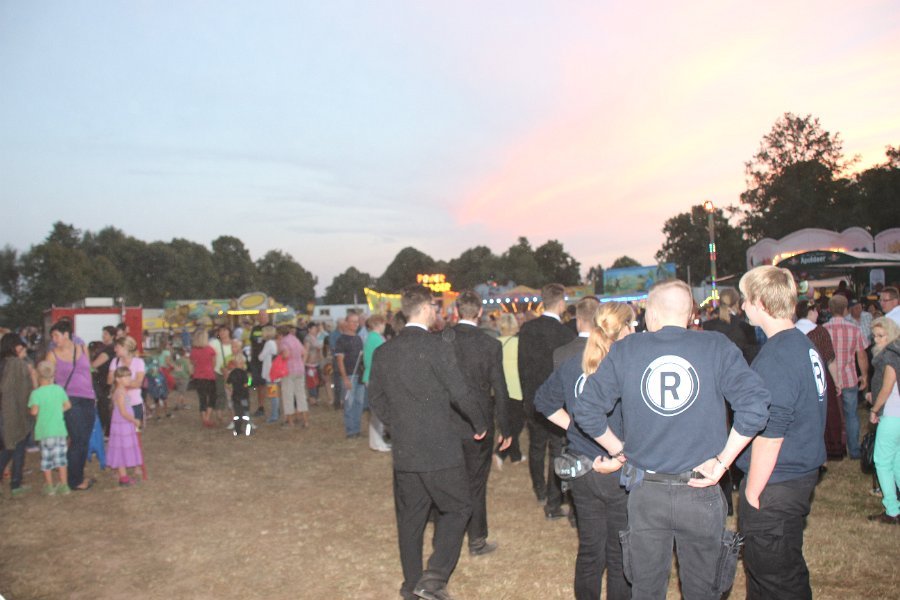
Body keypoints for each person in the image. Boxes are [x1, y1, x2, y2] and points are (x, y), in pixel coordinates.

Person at [573, 279, 770, 599]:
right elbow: (756, 406)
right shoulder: (716, 346)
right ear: (690, 313)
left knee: (646, 590)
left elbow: (586, 410)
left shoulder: (627, 350)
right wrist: (722, 463)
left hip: (646, 492)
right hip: (701, 491)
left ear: (650, 314)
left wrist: (619, 451)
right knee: (702, 590)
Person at [368, 285, 489, 600]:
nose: (437, 312)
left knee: (411, 519)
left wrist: (397, 425)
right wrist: (479, 423)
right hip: (440, 447)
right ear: (424, 309)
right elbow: (460, 391)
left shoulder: (384, 352)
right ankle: (433, 578)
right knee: (459, 507)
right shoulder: (436, 347)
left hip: (406, 449)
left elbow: (375, 399)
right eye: (434, 307)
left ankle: (411, 585)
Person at [736, 266, 828, 599]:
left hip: (776, 483)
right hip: (795, 477)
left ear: (761, 302)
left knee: (777, 579)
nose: (742, 306)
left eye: (746, 299)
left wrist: (752, 494)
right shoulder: (801, 344)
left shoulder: (778, 355)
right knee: (773, 574)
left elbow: (771, 434)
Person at [535, 301, 633, 600]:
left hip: (582, 470)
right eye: (632, 324)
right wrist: (578, 428)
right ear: (623, 329)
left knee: (591, 549)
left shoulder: (574, 363)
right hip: (617, 471)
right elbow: (544, 401)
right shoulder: (627, 367)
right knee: (619, 553)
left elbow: (544, 402)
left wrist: (574, 428)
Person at [447, 290, 511, 556]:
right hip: (480, 423)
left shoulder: (441, 340)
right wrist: (506, 426)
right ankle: (476, 539)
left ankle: (448, 537)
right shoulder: (490, 344)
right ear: (481, 312)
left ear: (456, 311)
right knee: (476, 482)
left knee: (448, 480)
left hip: (448, 420)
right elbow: (500, 388)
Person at [518, 283, 576, 512]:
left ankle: (539, 489)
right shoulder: (565, 333)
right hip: (556, 401)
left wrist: (526, 397)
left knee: (536, 446)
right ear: (560, 303)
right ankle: (553, 495)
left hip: (533, 396)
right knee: (556, 448)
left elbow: (522, 366)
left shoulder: (527, 329)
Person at [46, 319, 97, 491]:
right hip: (68, 400)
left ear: (66, 334)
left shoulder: (82, 348)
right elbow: (48, 380)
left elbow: (88, 372)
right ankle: (74, 480)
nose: (54, 339)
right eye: (53, 336)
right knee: (78, 438)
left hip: (87, 398)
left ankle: (74, 475)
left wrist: (93, 393)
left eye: (56, 335)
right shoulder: (52, 355)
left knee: (84, 438)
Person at [823, 294, 869, 459]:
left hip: (829, 380)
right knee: (851, 415)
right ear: (845, 310)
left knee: (830, 416)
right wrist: (864, 376)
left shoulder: (823, 330)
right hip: (849, 378)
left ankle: (834, 448)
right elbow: (861, 356)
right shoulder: (854, 329)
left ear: (829, 309)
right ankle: (854, 450)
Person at [796, 300, 844, 459]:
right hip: (819, 378)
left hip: (798, 379)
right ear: (810, 311)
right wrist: (836, 381)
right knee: (825, 414)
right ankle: (826, 451)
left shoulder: (791, 331)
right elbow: (829, 359)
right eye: (816, 310)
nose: (817, 314)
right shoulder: (820, 332)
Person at [866, 316, 900, 524]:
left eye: (881, 335)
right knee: (896, 461)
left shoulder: (889, 356)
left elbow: (887, 388)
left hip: (892, 414)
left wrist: (875, 409)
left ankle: (892, 510)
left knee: (882, 461)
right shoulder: (896, 351)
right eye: (874, 336)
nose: (877, 340)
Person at [28, 361, 71, 496]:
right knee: (61, 458)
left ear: (38, 375)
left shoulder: (36, 393)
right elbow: (67, 405)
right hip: (59, 429)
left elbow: (34, 411)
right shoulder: (59, 389)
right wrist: (57, 411)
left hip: (44, 430)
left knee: (46, 458)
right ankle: (64, 485)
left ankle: (49, 486)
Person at [1, 334, 35, 497]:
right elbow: (23, 392)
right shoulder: (17, 365)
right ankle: (16, 484)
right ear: (15, 347)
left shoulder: (4, 362)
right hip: (15, 414)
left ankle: (16, 482)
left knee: (9, 448)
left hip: (5, 414)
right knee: (15, 448)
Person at [495, 313, 525, 466]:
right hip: (516, 388)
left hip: (500, 388)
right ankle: (500, 453)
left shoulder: (495, 343)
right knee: (517, 424)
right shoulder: (519, 343)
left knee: (507, 422)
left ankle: (515, 456)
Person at [107, 366, 143, 487]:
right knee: (121, 449)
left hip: (125, 425)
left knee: (122, 448)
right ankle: (123, 478)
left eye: (129, 376)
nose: (129, 379)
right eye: (125, 377)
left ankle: (122, 475)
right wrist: (134, 420)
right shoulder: (120, 393)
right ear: (118, 379)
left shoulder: (123, 391)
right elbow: (123, 412)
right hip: (122, 425)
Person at [701, 288, 759, 364]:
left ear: (719, 302)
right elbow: (752, 356)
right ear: (737, 303)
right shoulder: (745, 327)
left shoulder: (707, 326)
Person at [362, 314, 390, 452]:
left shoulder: (372, 337)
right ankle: (376, 443)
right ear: (378, 324)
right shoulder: (376, 338)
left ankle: (377, 442)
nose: (385, 326)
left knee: (377, 412)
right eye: (383, 323)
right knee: (378, 413)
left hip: (372, 377)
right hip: (375, 378)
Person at [334, 312, 365, 438]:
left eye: (357, 322)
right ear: (346, 323)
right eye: (353, 321)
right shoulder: (341, 340)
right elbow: (340, 361)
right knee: (349, 404)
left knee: (359, 403)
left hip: (360, 375)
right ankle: (351, 431)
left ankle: (357, 429)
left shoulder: (358, 338)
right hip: (349, 376)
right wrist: (345, 378)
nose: (355, 324)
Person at [106, 336, 146, 424]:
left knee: (135, 429)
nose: (115, 349)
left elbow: (138, 383)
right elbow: (109, 380)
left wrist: (119, 383)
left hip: (135, 403)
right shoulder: (115, 361)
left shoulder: (138, 362)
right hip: (119, 404)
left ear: (125, 348)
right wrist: (129, 383)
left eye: (117, 347)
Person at [278, 324, 308, 428]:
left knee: (288, 396)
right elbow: (305, 352)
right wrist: (302, 363)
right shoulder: (295, 339)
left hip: (288, 371)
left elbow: (286, 354)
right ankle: (305, 420)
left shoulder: (284, 342)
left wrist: (280, 356)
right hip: (300, 369)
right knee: (301, 395)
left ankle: (290, 422)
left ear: (280, 334)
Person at [90, 325, 117, 436]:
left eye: (106, 334)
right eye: (103, 333)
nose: (103, 335)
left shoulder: (109, 349)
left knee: (104, 406)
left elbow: (94, 364)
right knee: (104, 405)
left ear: (112, 336)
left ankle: (107, 431)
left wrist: (92, 367)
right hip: (102, 380)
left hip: (104, 381)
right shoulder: (105, 347)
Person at [189, 329, 217, 428]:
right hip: (209, 376)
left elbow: (192, 363)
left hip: (198, 376)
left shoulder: (193, 351)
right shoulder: (210, 349)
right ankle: (207, 417)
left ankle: (204, 418)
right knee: (212, 397)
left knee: (202, 398)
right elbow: (214, 363)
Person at [211, 326, 234, 425]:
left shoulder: (234, 343)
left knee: (232, 394)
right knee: (220, 393)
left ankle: (233, 415)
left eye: (225, 330)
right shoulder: (214, 343)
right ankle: (219, 414)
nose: (222, 332)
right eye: (220, 331)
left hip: (231, 372)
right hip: (217, 371)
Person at [249, 311, 270, 417]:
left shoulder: (271, 328)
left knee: (271, 383)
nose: (262, 318)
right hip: (256, 360)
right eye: (260, 316)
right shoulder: (255, 329)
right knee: (259, 384)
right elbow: (252, 343)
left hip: (268, 360)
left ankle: (275, 405)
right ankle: (261, 406)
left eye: (264, 316)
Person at [257, 325, 280, 423]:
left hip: (270, 373)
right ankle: (276, 412)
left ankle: (274, 415)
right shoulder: (274, 343)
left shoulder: (268, 343)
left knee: (273, 395)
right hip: (274, 373)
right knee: (274, 394)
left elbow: (261, 357)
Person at [227, 354, 252, 436]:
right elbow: (247, 384)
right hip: (244, 396)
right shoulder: (244, 373)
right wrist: (250, 380)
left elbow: (228, 383)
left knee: (238, 413)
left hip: (235, 396)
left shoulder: (232, 373)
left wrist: (231, 389)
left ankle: (237, 429)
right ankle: (248, 428)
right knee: (246, 412)